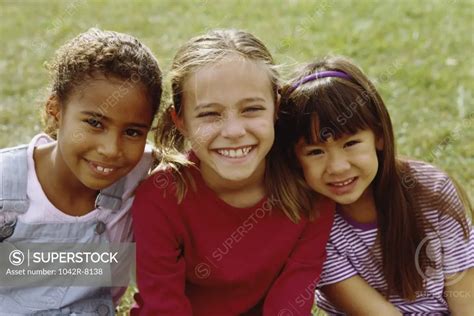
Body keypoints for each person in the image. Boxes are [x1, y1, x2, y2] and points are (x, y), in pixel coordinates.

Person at [131, 29, 335, 316]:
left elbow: (292, 297)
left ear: (276, 107)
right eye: (209, 114)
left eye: (251, 109)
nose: (234, 131)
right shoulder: (161, 198)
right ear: (181, 121)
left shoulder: (307, 190)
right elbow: (164, 305)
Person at [277, 55, 474, 315]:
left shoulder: (432, 191)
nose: (337, 167)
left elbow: (466, 299)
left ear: (379, 136)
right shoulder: (312, 223)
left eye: (350, 144)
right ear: (294, 158)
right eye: (315, 151)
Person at [0, 28, 162, 315]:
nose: (111, 149)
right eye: (95, 123)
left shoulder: (144, 172)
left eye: (133, 131)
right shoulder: (5, 183)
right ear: (56, 109)